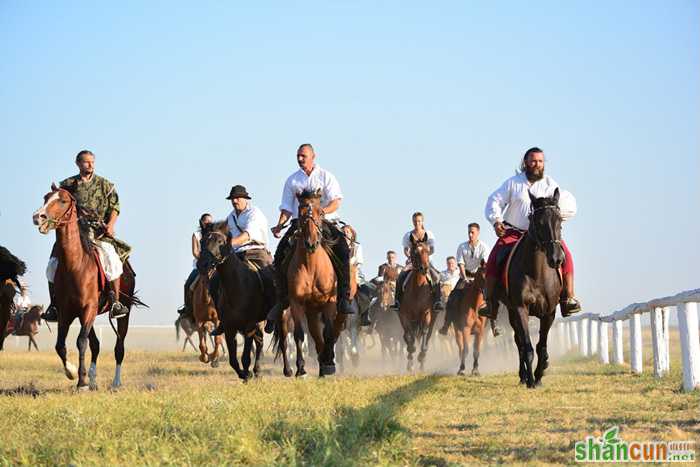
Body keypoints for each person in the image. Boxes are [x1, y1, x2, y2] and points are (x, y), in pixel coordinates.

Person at [479, 147, 581, 321]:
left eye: (540, 161)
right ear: (526, 162)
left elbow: (567, 204)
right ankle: (490, 303)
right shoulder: (513, 183)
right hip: (514, 232)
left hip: (543, 235)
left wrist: (555, 219)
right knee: (494, 257)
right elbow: (494, 201)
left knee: (566, 256)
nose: (537, 165)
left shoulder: (550, 184)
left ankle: (568, 298)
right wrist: (496, 221)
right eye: (533, 161)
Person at [266, 144, 354, 333]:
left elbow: (336, 201)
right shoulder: (292, 180)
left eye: (303, 156)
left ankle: (344, 298)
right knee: (279, 254)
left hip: (324, 222)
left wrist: (321, 212)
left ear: (313, 156)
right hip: (299, 223)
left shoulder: (325, 176)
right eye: (298, 156)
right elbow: (286, 208)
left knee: (343, 251)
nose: (300, 159)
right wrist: (280, 224)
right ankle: (282, 300)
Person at [42, 150, 130, 321]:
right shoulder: (67, 185)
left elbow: (115, 207)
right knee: (52, 265)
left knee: (111, 259)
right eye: (86, 162)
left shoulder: (105, 185)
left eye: (92, 162)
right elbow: (56, 205)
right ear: (78, 163)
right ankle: (54, 305)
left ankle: (115, 302)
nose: (90, 165)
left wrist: (111, 225)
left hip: (98, 233)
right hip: (72, 234)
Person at [210, 185, 276, 336]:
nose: (234, 201)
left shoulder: (254, 213)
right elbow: (223, 235)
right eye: (232, 199)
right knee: (215, 280)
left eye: (237, 198)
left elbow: (247, 235)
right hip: (237, 254)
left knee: (269, 277)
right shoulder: (230, 217)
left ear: (246, 199)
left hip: (256, 251)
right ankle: (223, 319)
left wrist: (228, 245)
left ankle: (271, 314)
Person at [438, 223, 500, 336]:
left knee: (491, 295)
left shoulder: (484, 247)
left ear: (478, 233)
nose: (470, 235)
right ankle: (446, 325)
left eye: (473, 232)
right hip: (465, 277)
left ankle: (494, 325)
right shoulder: (462, 247)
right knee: (453, 296)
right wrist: (465, 278)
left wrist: (480, 278)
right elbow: (461, 264)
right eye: (469, 232)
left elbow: (484, 265)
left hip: (480, 278)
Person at [393, 212, 444, 311]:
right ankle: (397, 301)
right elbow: (406, 250)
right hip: (413, 262)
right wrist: (410, 256)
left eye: (419, 221)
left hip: (426, 261)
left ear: (422, 221)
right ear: (412, 222)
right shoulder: (408, 235)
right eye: (415, 221)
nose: (417, 223)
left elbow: (432, 249)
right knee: (400, 276)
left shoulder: (429, 234)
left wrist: (424, 256)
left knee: (437, 277)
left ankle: (437, 301)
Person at [180, 213, 213, 317]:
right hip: (200, 267)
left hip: (213, 266)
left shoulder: (214, 234)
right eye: (206, 221)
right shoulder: (196, 234)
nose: (208, 223)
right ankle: (187, 308)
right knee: (188, 285)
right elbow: (195, 252)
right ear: (202, 222)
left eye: (210, 221)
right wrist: (204, 260)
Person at [343, 224, 372, 326]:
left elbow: (359, 262)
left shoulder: (357, 246)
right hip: (341, 272)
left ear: (352, 234)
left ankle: (365, 315)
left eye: (347, 232)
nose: (345, 233)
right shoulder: (339, 246)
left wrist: (353, 269)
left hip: (355, 272)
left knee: (368, 290)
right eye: (344, 232)